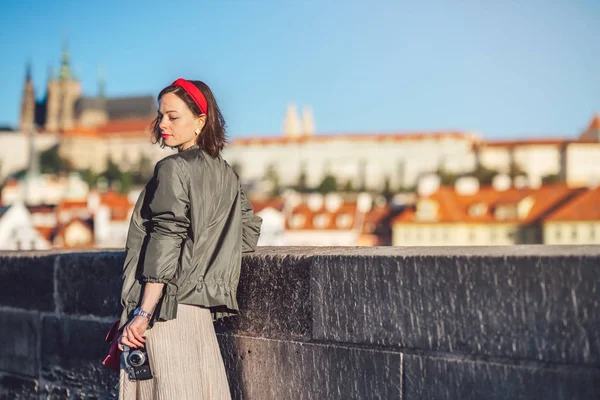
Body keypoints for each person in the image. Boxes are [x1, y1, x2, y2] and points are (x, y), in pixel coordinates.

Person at [117, 78, 262, 399]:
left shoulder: (173, 168)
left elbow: (166, 239)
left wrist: (142, 315)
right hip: (199, 313)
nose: (162, 124)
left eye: (173, 116)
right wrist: (205, 262)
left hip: (165, 310)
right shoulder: (227, 173)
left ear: (200, 122)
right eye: (160, 116)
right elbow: (248, 233)